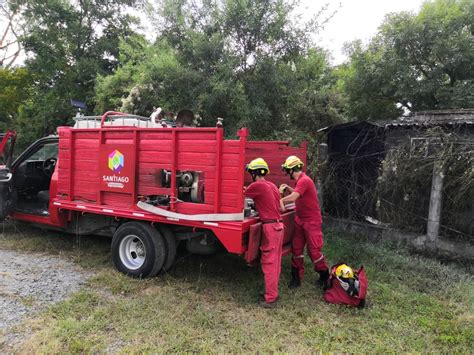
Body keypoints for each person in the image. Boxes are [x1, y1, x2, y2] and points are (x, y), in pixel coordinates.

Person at [280, 155, 329, 289]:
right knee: (297, 249)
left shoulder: (304, 180)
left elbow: (294, 197)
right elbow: (297, 194)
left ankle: (325, 276)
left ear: (291, 169)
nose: (286, 173)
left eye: (286, 170)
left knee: (314, 251)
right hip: (300, 220)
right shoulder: (300, 181)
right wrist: (288, 189)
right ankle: (296, 278)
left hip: (311, 222)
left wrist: (279, 200)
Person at [244, 158, 285, 308]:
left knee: (269, 264)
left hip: (270, 228)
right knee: (275, 263)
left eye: (250, 173)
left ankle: (271, 299)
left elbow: (242, 194)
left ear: (254, 173)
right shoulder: (272, 185)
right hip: (278, 226)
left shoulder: (257, 185)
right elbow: (281, 208)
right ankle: (271, 293)